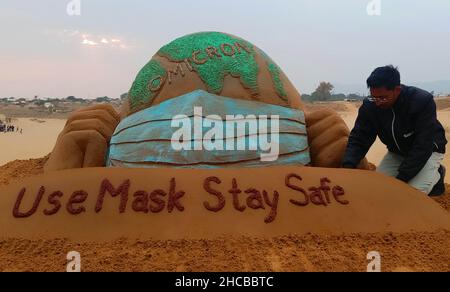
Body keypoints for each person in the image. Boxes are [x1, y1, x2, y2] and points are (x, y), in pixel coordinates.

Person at [342, 65, 447, 196]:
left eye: (383, 97)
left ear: (397, 90)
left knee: (410, 194)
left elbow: (423, 144)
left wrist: (402, 178)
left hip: (429, 151)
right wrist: (348, 166)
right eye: (374, 97)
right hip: (397, 152)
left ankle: (437, 175)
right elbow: (360, 137)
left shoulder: (421, 101)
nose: (378, 103)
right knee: (377, 190)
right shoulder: (370, 106)